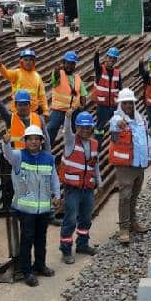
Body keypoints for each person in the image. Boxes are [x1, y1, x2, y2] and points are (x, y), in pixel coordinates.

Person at [1, 125, 60, 286]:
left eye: (36, 139)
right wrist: (6, 144)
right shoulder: (19, 156)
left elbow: (54, 177)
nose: (33, 142)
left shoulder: (48, 158)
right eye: (30, 139)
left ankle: (40, 265)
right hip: (26, 209)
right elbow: (8, 155)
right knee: (27, 239)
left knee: (41, 239)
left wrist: (57, 194)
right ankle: (27, 272)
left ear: (41, 141)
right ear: (25, 141)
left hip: (44, 209)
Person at [108, 88, 151, 244]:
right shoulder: (117, 119)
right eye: (125, 103)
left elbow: (147, 139)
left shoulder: (141, 120)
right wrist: (118, 124)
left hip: (139, 165)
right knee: (125, 197)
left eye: (130, 103)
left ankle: (133, 222)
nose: (128, 105)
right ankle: (124, 228)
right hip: (125, 166)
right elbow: (113, 125)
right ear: (120, 104)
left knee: (134, 195)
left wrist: (149, 156)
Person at [58, 110, 101, 264]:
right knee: (70, 219)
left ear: (91, 128)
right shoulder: (70, 141)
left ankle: (82, 244)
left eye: (88, 127)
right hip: (72, 189)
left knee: (86, 217)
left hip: (87, 188)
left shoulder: (94, 143)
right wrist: (67, 117)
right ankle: (66, 249)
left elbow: (95, 165)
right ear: (77, 127)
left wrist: (99, 181)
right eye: (82, 127)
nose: (85, 130)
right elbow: (67, 131)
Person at [0, 82, 50, 148]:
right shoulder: (10, 118)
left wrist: (48, 155)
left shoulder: (39, 119)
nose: (23, 107)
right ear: (16, 106)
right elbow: (0, 108)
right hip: (17, 156)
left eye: (25, 104)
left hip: (35, 155)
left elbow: (46, 139)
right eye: (20, 104)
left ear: (30, 105)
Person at [46, 51, 88, 146]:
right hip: (58, 111)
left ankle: (75, 149)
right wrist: (57, 69)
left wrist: (83, 105)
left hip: (73, 111)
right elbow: (54, 78)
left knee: (76, 131)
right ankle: (47, 150)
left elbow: (83, 94)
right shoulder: (58, 74)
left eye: (72, 63)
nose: (70, 66)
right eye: (68, 63)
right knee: (51, 128)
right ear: (64, 63)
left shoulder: (77, 78)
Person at [0, 48, 48, 115]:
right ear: (22, 61)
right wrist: (0, 66)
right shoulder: (17, 73)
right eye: (26, 60)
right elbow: (7, 74)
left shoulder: (37, 76)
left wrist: (46, 111)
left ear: (33, 62)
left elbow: (42, 96)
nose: (28, 62)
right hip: (17, 112)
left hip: (33, 111)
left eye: (30, 60)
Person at [92, 47, 122, 146]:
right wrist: (96, 54)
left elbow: (120, 89)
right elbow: (96, 64)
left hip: (114, 106)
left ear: (116, 60)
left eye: (114, 59)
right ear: (106, 57)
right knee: (99, 128)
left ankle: (115, 145)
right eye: (110, 58)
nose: (111, 60)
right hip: (102, 106)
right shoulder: (100, 69)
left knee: (115, 126)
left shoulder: (118, 73)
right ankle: (98, 146)